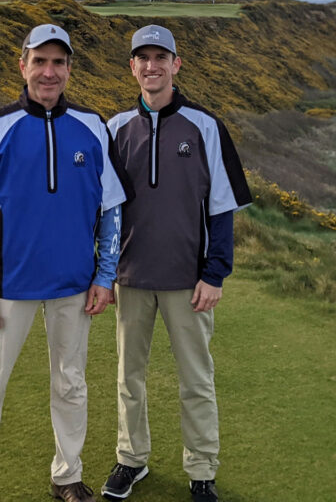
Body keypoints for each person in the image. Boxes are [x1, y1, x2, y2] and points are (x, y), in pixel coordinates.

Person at [0, 24, 132, 502]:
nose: (49, 72)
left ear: (69, 68)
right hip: (8, 285)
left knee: (71, 385)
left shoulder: (93, 127)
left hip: (75, 284)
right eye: (40, 61)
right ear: (22, 64)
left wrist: (105, 275)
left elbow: (111, 208)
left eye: (58, 62)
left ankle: (67, 475)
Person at [102, 25, 251, 502]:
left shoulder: (205, 126)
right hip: (131, 277)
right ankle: (131, 459)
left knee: (196, 379)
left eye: (160, 57)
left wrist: (215, 273)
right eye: (142, 57)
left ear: (176, 64)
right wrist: (103, 272)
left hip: (189, 281)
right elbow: (103, 209)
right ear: (132, 66)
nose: (152, 66)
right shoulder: (114, 128)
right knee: (129, 376)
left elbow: (222, 207)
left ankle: (202, 469)